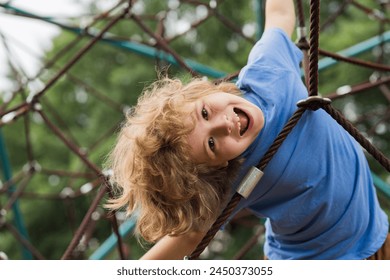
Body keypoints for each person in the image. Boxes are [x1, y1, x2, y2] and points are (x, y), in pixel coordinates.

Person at [106, 0, 389, 259]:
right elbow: (188, 237)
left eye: (204, 112)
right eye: (212, 144)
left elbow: (278, 14)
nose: (223, 124)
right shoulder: (235, 178)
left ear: (201, 92)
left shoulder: (267, 73)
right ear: (217, 167)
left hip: (374, 234)